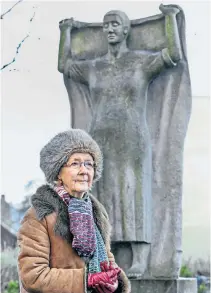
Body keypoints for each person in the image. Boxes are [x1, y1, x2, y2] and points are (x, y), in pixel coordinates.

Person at [58, 5, 182, 277]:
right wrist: (65, 31)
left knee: (133, 195)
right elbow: (64, 66)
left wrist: (171, 18)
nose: (109, 29)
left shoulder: (140, 61)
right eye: (106, 25)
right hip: (99, 141)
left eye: (115, 24)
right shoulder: (95, 67)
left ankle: (139, 258)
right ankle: (105, 256)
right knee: (102, 198)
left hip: (132, 140)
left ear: (126, 30)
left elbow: (173, 55)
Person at [17, 129, 131, 293]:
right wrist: (87, 280)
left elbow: (107, 260)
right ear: (58, 174)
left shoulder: (96, 214)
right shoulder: (39, 216)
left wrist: (114, 284)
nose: (84, 171)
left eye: (89, 164)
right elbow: (32, 277)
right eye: (75, 163)